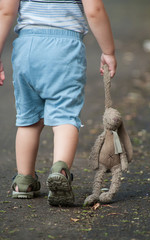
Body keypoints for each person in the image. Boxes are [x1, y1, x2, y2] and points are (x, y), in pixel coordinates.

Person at [0, 0, 117, 206]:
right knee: (64, 116)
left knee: (28, 118)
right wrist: (108, 51)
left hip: (27, 48)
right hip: (65, 50)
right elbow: (95, 10)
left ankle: (24, 181)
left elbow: (5, 10)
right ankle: (60, 172)